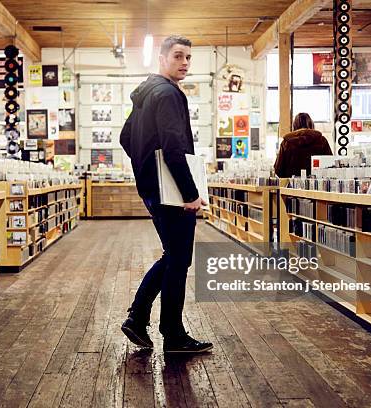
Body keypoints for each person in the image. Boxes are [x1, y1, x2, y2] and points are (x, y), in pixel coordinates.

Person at [119, 35, 213, 353]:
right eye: (178, 56)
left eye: (188, 57)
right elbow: (174, 147)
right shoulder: (168, 94)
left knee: (175, 256)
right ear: (162, 58)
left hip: (153, 187)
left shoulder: (146, 94)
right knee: (178, 259)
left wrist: (143, 164)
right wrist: (190, 193)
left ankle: (140, 318)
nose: (184, 62)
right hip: (171, 190)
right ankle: (171, 334)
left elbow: (124, 136)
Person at [274, 113, 333, 178]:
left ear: (294, 126)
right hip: (317, 184)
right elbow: (330, 165)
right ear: (311, 124)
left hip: (291, 185)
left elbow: (278, 169)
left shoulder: (286, 142)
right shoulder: (321, 140)